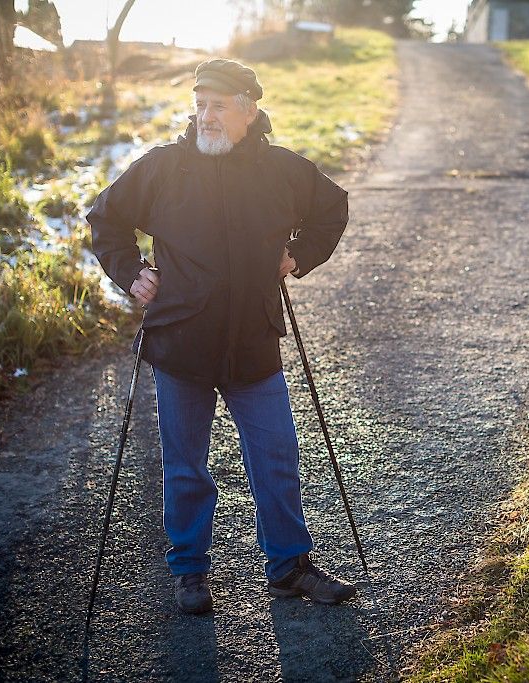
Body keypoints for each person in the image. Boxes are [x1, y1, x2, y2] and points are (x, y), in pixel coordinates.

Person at [87, 58, 355, 614]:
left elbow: (333, 208)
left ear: (248, 110)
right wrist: (131, 271)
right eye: (199, 103)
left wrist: (299, 255)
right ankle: (190, 573)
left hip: (254, 340)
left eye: (218, 105)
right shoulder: (163, 168)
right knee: (185, 465)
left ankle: (288, 566)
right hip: (180, 343)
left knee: (277, 456)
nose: (206, 115)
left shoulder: (282, 170)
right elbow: (105, 218)